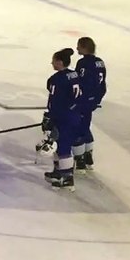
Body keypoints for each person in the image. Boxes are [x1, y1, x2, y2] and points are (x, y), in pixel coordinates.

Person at [42, 48, 82, 190]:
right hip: (76, 116)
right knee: (63, 145)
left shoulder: (56, 79)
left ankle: (66, 178)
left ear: (59, 62)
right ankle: (60, 172)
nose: (51, 63)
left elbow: (53, 102)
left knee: (64, 147)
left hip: (63, 118)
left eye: (53, 61)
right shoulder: (74, 74)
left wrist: (49, 118)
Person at [73, 37, 107, 171]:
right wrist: (96, 99)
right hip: (93, 100)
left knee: (78, 128)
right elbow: (102, 83)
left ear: (84, 48)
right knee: (86, 125)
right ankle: (88, 156)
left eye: (78, 46)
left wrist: (76, 100)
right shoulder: (100, 62)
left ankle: (80, 160)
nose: (77, 49)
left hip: (83, 100)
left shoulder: (83, 63)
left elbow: (80, 83)